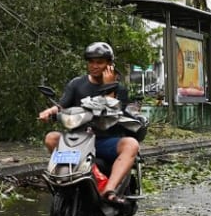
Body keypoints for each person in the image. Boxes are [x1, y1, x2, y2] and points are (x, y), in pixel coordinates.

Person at [38, 41, 141, 206]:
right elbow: (61, 106)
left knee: (131, 144)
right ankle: (66, 177)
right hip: (79, 140)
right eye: (91, 62)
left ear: (109, 65)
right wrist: (49, 112)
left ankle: (110, 189)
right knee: (51, 138)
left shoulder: (119, 88)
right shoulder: (76, 84)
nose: (94, 66)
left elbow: (112, 111)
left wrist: (109, 86)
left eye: (99, 62)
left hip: (105, 141)